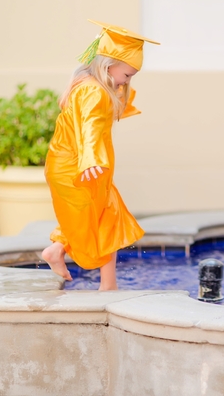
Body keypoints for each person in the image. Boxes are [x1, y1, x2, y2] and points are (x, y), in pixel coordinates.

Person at [41, 19, 159, 290]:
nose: (127, 81)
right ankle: (106, 284)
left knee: (106, 216)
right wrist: (92, 159)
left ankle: (63, 253)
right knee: (104, 218)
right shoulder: (93, 91)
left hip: (75, 165)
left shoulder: (90, 85)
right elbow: (90, 127)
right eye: (127, 75)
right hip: (79, 167)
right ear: (108, 66)